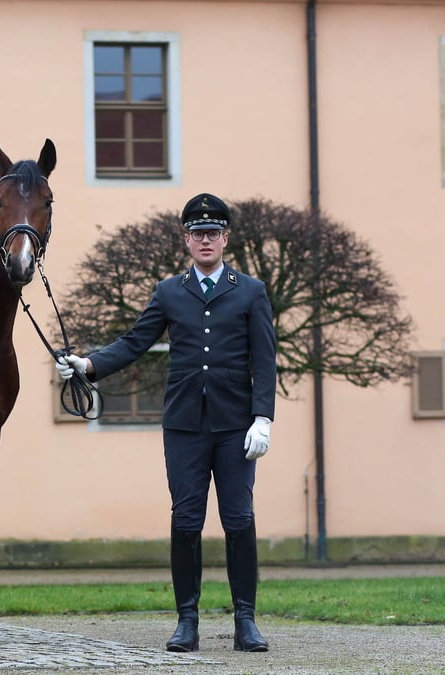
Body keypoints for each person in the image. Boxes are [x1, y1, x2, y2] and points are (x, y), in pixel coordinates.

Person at [56, 193, 276, 653]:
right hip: (184, 426)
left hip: (237, 425)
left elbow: (264, 360)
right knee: (187, 519)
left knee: (239, 519)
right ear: (187, 240)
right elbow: (135, 342)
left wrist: (263, 417)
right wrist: (87, 365)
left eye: (213, 233)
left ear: (226, 239)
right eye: (198, 234)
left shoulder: (251, 291)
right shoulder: (169, 291)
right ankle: (187, 621)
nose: (206, 241)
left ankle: (246, 622)